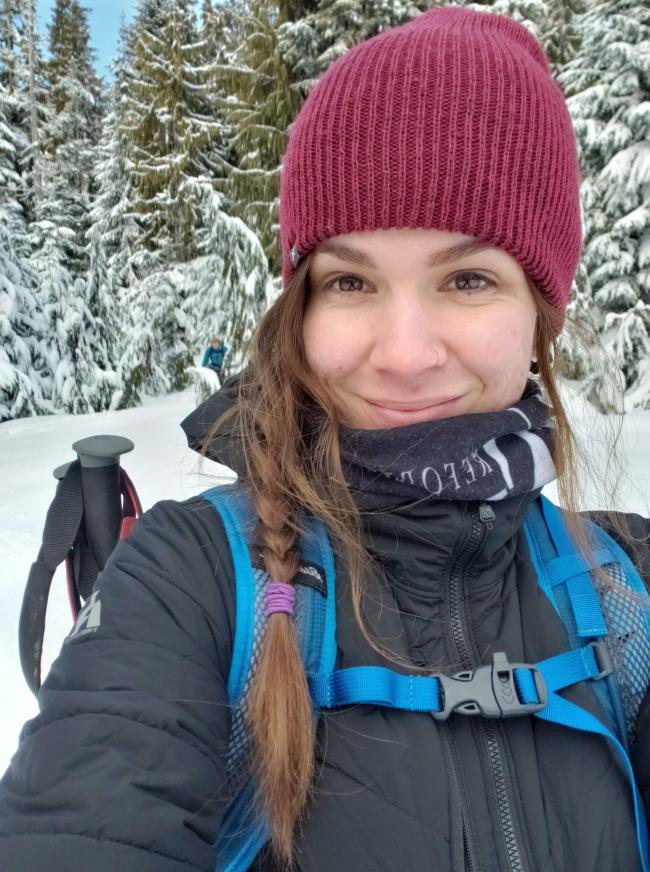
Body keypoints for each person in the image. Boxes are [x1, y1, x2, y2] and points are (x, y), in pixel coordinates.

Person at [0, 7, 648, 871]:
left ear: (541, 310)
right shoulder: (193, 579)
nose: (406, 353)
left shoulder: (626, 590)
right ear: (301, 309)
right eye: (350, 280)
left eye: (467, 278)